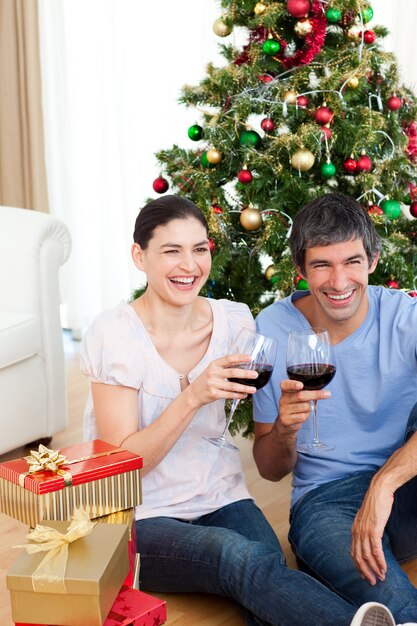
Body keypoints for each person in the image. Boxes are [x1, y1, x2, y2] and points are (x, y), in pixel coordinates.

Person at [80, 194, 395, 626]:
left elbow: (269, 427)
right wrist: (192, 396)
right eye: (171, 251)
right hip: (136, 514)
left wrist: (288, 420)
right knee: (236, 557)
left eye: (199, 249)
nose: (188, 265)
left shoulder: (235, 323)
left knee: (263, 575)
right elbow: (119, 470)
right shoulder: (115, 334)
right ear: (139, 256)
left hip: (222, 495)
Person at [253, 191, 417, 625]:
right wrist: (286, 430)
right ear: (301, 270)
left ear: (374, 260)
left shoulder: (405, 316)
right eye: (322, 265)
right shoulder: (272, 328)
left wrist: (384, 484)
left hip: (405, 482)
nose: (339, 282)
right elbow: (269, 468)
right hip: (327, 501)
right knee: (394, 606)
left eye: (352, 262)